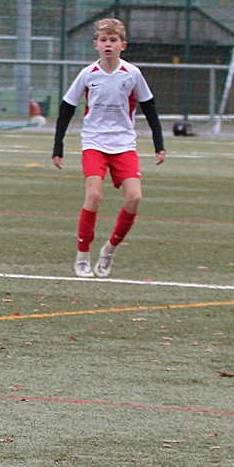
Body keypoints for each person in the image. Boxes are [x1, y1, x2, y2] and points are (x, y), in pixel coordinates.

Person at [52, 17, 166, 278]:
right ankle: (83, 256)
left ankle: (109, 250)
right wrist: (58, 147)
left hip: (124, 144)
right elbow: (66, 108)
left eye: (113, 40)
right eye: (103, 40)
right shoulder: (88, 74)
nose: (108, 45)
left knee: (134, 198)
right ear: (96, 44)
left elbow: (149, 107)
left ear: (122, 45)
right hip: (94, 143)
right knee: (94, 195)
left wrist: (159, 144)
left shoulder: (132, 74)